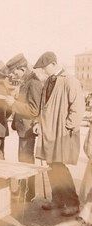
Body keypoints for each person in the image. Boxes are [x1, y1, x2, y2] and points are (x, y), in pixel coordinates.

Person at [33, 51, 85, 216]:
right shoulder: (48, 80)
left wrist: (68, 125)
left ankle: (73, 203)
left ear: (54, 64)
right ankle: (57, 200)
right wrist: (37, 123)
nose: (43, 71)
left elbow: (77, 107)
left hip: (61, 133)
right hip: (48, 132)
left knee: (60, 166)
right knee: (52, 165)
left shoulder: (69, 81)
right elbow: (43, 106)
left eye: (44, 67)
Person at [5, 53, 42, 202]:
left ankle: (28, 193)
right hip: (23, 128)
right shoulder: (26, 81)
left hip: (28, 129)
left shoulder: (33, 83)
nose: (14, 75)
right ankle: (25, 190)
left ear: (23, 68)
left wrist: (13, 104)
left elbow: (34, 110)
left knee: (26, 161)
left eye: (15, 71)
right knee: (23, 160)